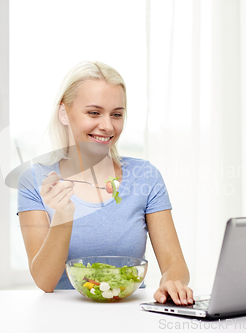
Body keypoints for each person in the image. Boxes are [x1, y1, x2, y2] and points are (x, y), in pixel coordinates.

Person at [17, 60, 193, 305]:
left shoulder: (145, 176)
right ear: (64, 113)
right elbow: (45, 282)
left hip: (130, 316)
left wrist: (173, 282)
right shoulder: (35, 180)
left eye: (117, 114)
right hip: (60, 320)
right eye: (94, 112)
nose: (108, 126)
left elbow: (175, 265)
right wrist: (64, 214)